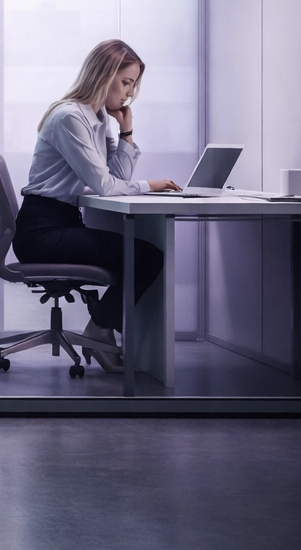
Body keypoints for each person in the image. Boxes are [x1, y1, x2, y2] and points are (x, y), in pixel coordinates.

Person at [11, 39, 183, 373]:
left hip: (62, 222)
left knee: (141, 256)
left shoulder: (98, 117)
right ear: (104, 75)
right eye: (126, 82)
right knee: (146, 257)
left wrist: (126, 130)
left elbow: (115, 178)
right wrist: (150, 185)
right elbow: (106, 185)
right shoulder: (70, 118)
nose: (130, 93)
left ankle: (101, 328)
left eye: (133, 84)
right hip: (41, 231)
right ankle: (100, 331)